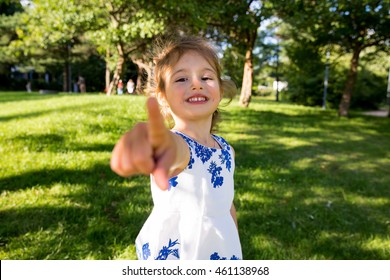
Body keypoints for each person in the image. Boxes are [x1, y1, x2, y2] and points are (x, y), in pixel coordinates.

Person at [110, 36, 242, 260]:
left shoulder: (226, 150)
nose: (196, 83)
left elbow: (226, 205)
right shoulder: (180, 146)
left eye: (206, 77)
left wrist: (234, 245)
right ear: (162, 97)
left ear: (220, 90)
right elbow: (173, 150)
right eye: (181, 79)